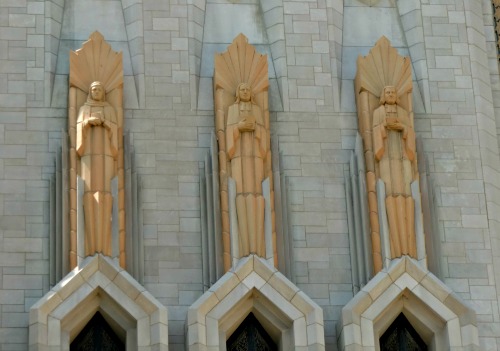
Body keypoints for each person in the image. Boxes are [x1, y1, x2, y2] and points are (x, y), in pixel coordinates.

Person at [372, 86, 416, 257]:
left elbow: (409, 131)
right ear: (383, 95)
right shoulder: (378, 112)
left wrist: (403, 128)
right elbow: (376, 129)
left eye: (393, 93)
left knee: (405, 181)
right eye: (388, 92)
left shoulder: (403, 113)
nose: (390, 95)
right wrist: (384, 126)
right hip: (386, 154)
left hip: (401, 153)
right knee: (388, 182)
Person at [226, 83, 268, 257]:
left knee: (256, 190)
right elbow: (228, 130)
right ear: (237, 92)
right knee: (240, 189)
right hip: (238, 155)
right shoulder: (232, 109)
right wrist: (238, 128)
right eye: (242, 89)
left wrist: (256, 129)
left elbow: (264, 132)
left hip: (255, 154)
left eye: (247, 89)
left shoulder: (257, 110)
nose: (245, 91)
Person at [76, 81, 118, 256]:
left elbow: (115, 127)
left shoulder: (109, 109)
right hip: (88, 155)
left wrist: (106, 123)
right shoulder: (84, 109)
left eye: (99, 89)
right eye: (93, 89)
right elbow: (79, 126)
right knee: (88, 188)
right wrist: (87, 123)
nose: (96, 92)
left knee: (106, 188)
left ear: (104, 92)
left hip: (106, 153)